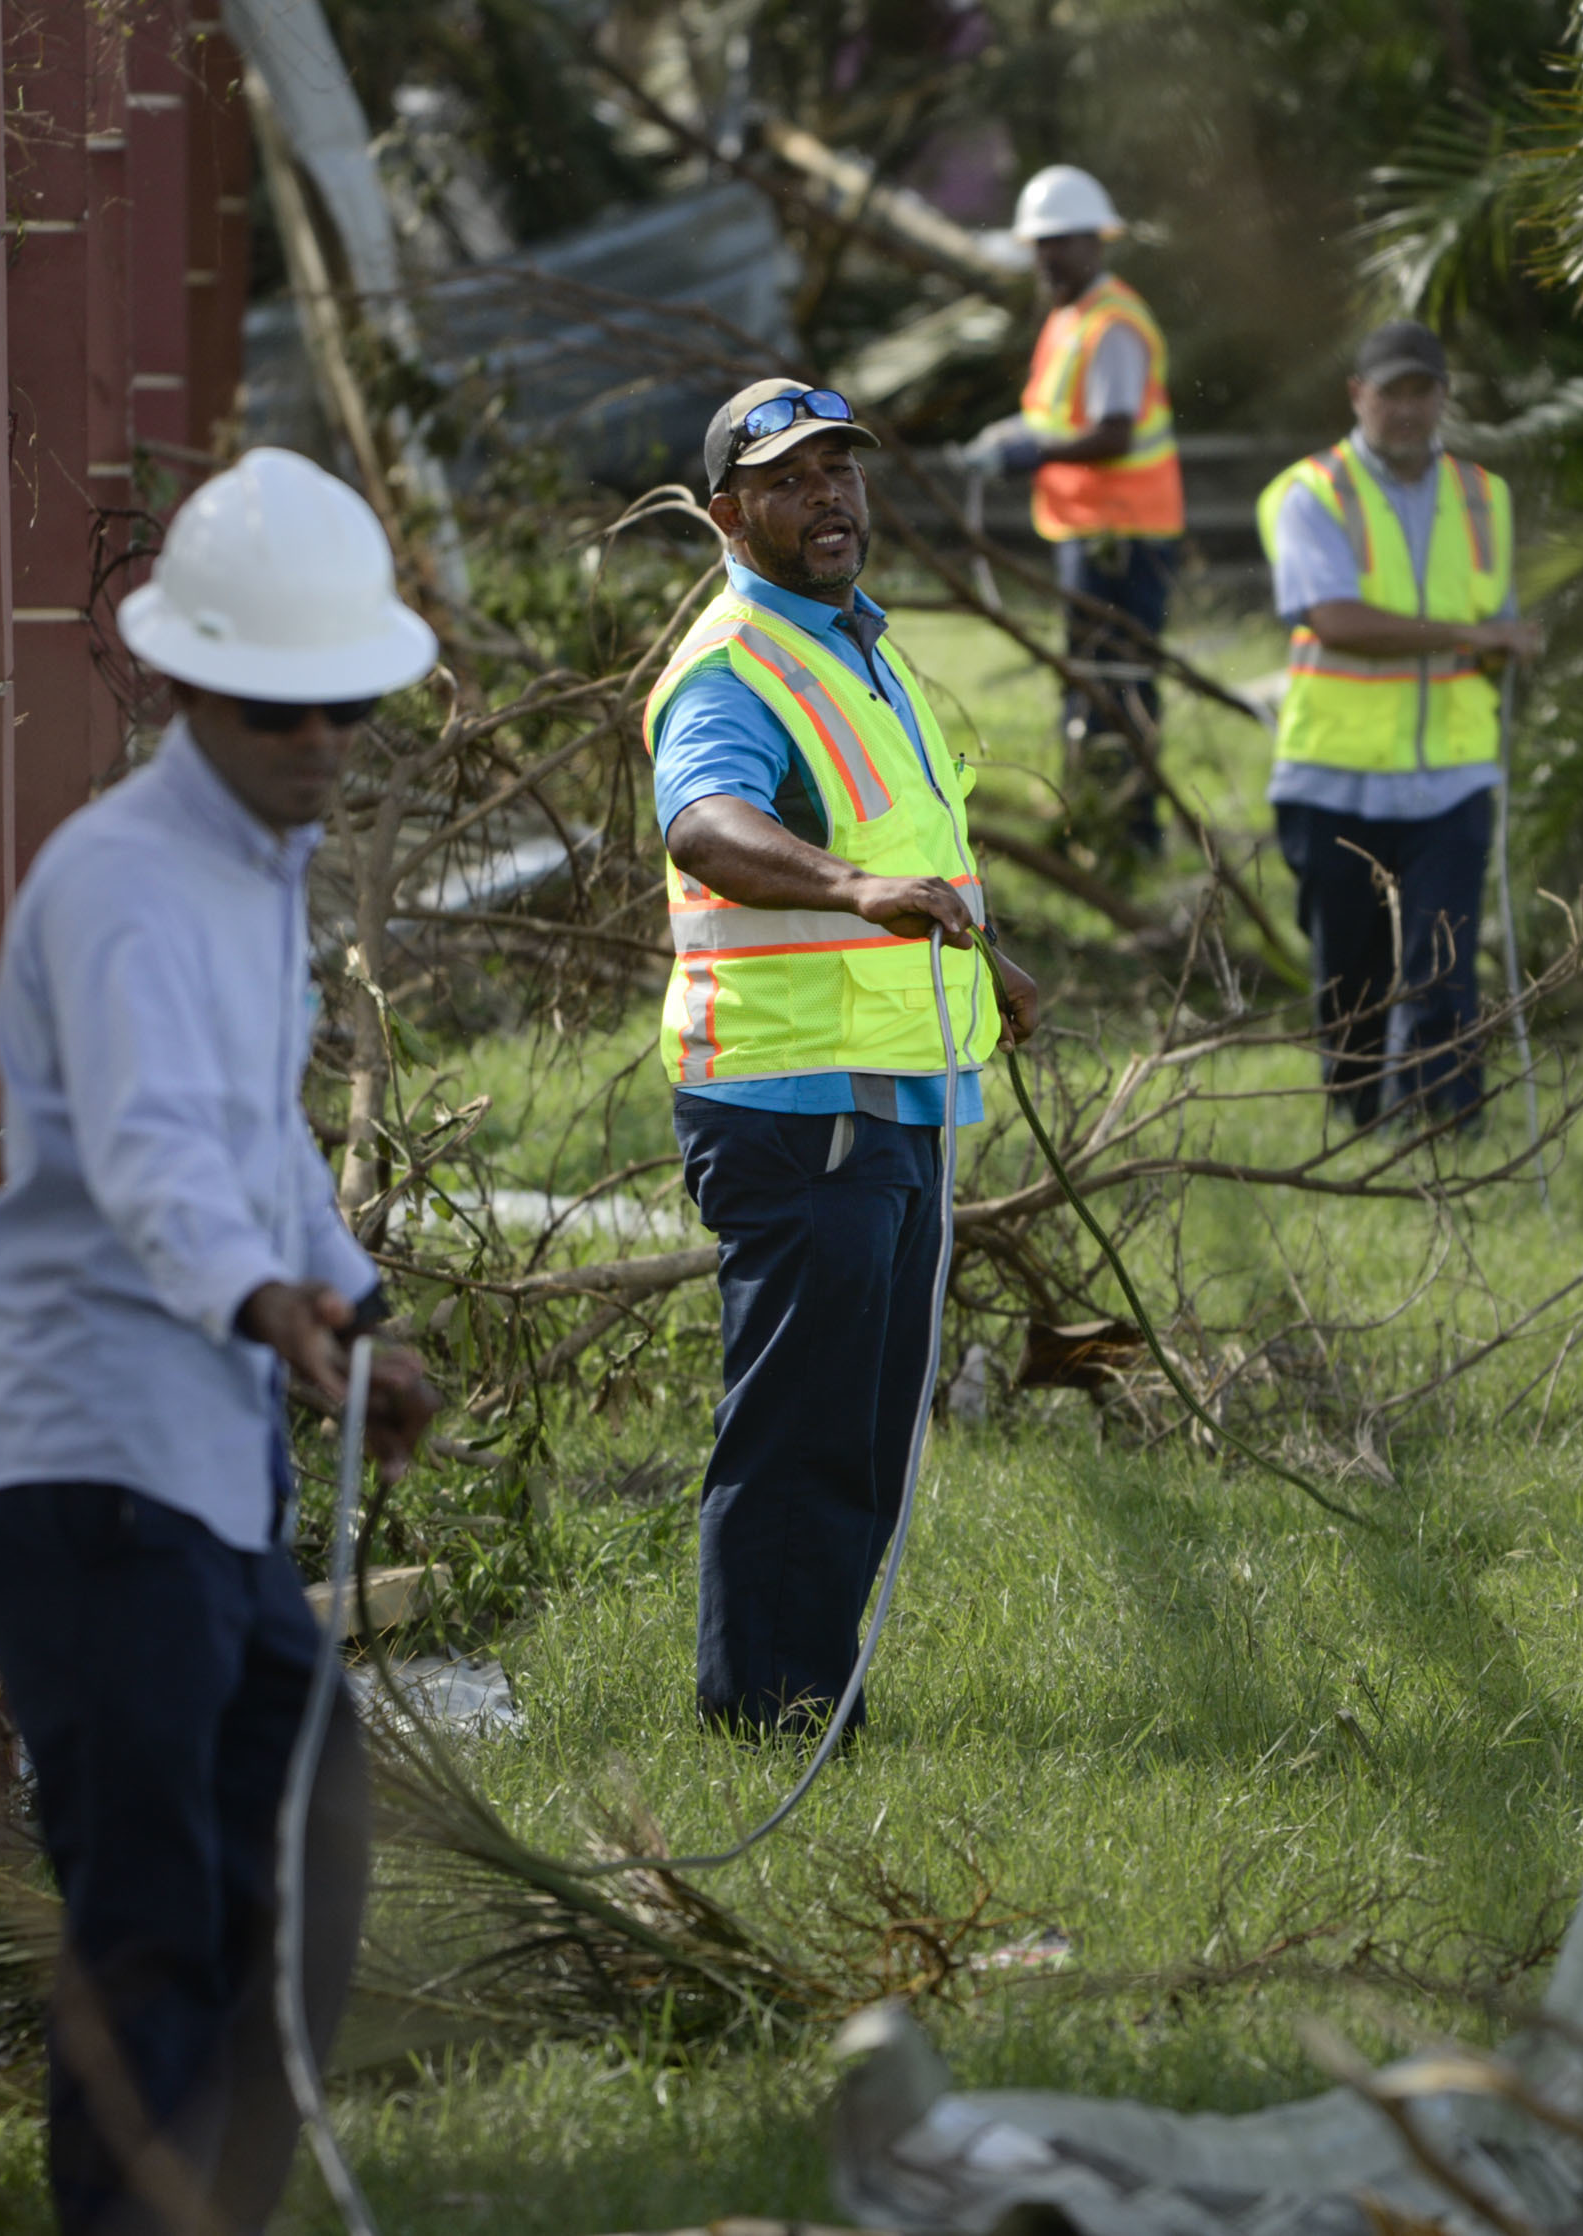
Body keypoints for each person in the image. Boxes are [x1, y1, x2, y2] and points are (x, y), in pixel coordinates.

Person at [0, 447, 442, 2234]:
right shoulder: (123, 882)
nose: (321, 744)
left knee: (298, 1858)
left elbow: (265, 1138)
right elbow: (151, 1153)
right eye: (281, 709)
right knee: (156, 1900)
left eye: (347, 710)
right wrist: (266, 1306)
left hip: (199, 1453)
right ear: (192, 688)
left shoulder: (260, 868)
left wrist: (349, 1304)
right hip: (81, 1452)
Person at [650, 378, 1045, 1735]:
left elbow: (913, 853)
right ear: (728, 515)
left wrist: (990, 969)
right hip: (792, 1103)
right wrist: (855, 888)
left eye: (843, 474)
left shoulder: (854, 646)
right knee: (806, 1425)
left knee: (869, 1421)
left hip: (893, 1097)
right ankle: (766, 1712)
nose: (829, 499)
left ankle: (810, 1693)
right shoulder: (733, 666)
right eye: (791, 480)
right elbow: (706, 825)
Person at [1255, 322, 1543, 1124]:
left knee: (1444, 967)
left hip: (1452, 778)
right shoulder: (1309, 492)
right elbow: (1336, 619)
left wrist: (1507, 647)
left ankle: (1451, 1136)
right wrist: (1476, 638)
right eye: (1392, 392)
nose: (1408, 409)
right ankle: (1353, 1135)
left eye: (1423, 391)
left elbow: (1492, 622)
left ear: (1444, 397)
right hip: (1334, 778)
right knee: (1350, 979)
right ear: (1358, 396)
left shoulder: (1488, 497)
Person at [964, 163, 1186, 856]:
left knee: (1118, 684)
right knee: (1086, 680)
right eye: (1041, 242)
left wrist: (1032, 455)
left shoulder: (1112, 324)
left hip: (1124, 535)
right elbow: (1055, 413)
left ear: (1096, 241)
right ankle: (1087, 820)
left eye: (1060, 241)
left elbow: (1115, 432)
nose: (1048, 255)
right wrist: (1015, 434)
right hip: (1089, 530)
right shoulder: (1071, 317)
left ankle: (1133, 831)